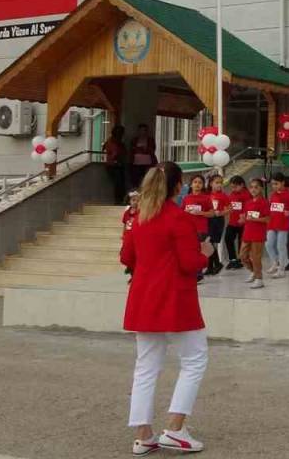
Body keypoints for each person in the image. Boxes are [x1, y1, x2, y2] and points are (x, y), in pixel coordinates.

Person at [120, 162, 213, 455]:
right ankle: (174, 427)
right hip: (175, 299)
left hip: (143, 297)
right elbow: (189, 263)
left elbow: (127, 256)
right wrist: (206, 255)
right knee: (195, 359)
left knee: (146, 366)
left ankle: (143, 433)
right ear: (177, 186)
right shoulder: (179, 218)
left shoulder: (137, 218)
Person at [180, 175, 212, 283]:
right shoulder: (187, 198)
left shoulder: (206, 198)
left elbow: (212, 213)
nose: (197, 184)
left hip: (201, 229)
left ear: (203, 185)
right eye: (195, 182)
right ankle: (193, 271)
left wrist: (201, 213)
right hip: (188, 229)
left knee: (198, 250)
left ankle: (199, 272)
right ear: (191, 184)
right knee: (190, 250)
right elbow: (181, 212)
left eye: (200, 182)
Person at [265, 173, 289, 279]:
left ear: (283, 182)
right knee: (268, 244)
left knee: (280, 246)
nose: (274, 186)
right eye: (273, 184)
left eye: (276, 184)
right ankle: (275, 262)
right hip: (272, 224)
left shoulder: (288, 194)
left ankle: (282, 269)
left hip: (283, 224)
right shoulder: (272, 195)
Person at [240, 178, 269, 289]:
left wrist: (254, 219)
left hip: (258, 234)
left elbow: (267, 219)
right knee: (243, 256)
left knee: (256, 257)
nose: (253, 189)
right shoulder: (248, 203)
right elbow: (247, 217)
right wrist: (243, 219)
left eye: (256, 187)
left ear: (261, 188)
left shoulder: (264, 202)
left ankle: (259, 279)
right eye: (251, 187)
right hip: (247, 233)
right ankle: (254, 272)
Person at [204, 174, 229, 276]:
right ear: (211, 184)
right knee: (208, 243)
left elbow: (229, 208)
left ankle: (217, 264)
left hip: (217, 220)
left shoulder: (223, 196)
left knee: (211, 242)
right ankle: (210, 266)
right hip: (208, 220)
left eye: (221, 183)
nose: (219, 185)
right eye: (217, 182)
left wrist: (221, 213)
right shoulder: (207, 195)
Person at [223, 176, 249, 270]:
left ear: (242, 185)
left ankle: (240, 260)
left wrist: (244, 217)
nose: (233, 189)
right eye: (232, 187)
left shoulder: (246, 195)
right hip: (232, 222)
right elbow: (229, 206)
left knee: (241, 242)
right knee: (228, 238)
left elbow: (248, 208)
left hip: (243, 223)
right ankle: (233, 259)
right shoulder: (231, 194)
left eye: (235, 187)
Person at [129, 123, 157, 191]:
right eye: (141, 130)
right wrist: (138, 149)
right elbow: (132, 150)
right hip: (136, 163)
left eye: (144, 130)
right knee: (136, 180)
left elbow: (152, 150)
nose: (143, 132)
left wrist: (144, 149)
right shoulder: (134, 140)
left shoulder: (150, 140)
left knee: (147, 180)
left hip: (148, 163)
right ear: (138, 131)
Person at [105, 125, 127, 204]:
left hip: (117, 164)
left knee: (120, 182)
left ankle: (120, 199)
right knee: (119, 182)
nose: (121, 135)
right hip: (114, 165)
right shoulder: (113, 142)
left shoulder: (116, 142)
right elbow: (115, 153)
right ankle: (119, 200)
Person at [122, 190, 139, 281]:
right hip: (128, 237)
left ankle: (134, 274)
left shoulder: (140, 212)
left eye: (137, 200)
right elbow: (125, 224)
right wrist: (123, 235)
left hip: (136, 238)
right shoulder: (127, 212)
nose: (135, 202)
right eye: (133, 200)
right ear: (129, 201)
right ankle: (130, 269)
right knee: (126, 255)